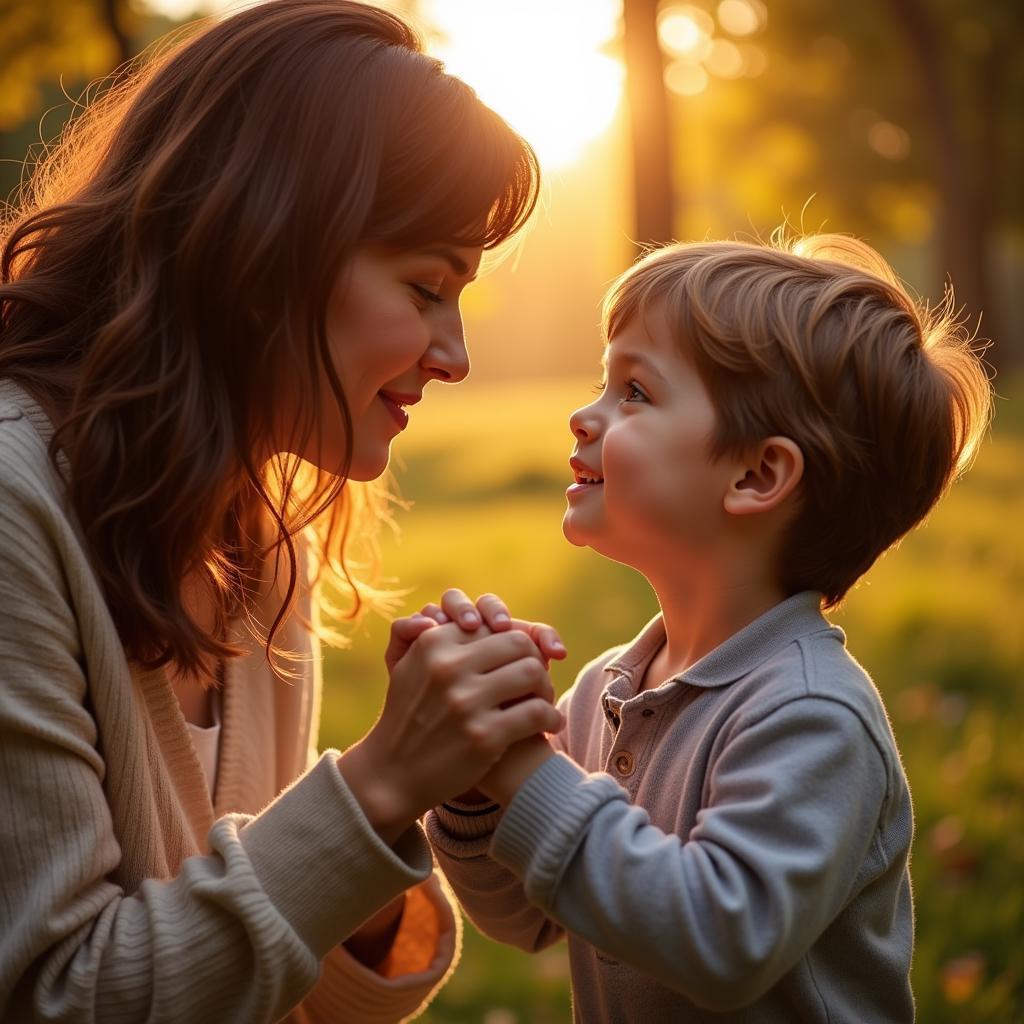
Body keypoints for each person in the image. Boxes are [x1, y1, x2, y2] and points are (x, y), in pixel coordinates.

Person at [0, 2, 568, 1021]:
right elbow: (56, 997)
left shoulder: (258, 528)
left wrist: (431, 772)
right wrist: (376, 785)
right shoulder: (11, 508)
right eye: (425, 286)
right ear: (265, 253)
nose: (455, 354)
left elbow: (286, 993)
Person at [422, 234, 992, 1022]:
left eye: (636, 392)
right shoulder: (610, 689)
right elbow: (528, 917)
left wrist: (528, 775)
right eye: (602, 380)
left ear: (756, 476)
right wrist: (477, 778)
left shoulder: (811, 716)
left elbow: (721, 942)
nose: (584, 415)